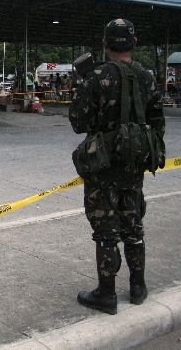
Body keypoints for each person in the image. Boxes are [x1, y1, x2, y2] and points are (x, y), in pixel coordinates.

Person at [69, 18, 165, 315]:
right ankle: (138, 287)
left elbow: (79, 122)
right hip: (134, 165)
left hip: (103, 166)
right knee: (133, 224)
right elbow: (157, 122)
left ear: (105, 43)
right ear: (134, 43)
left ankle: (106, 293)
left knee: (106, 230)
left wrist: (82, 84)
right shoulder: (147, 76)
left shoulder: (95, 76)